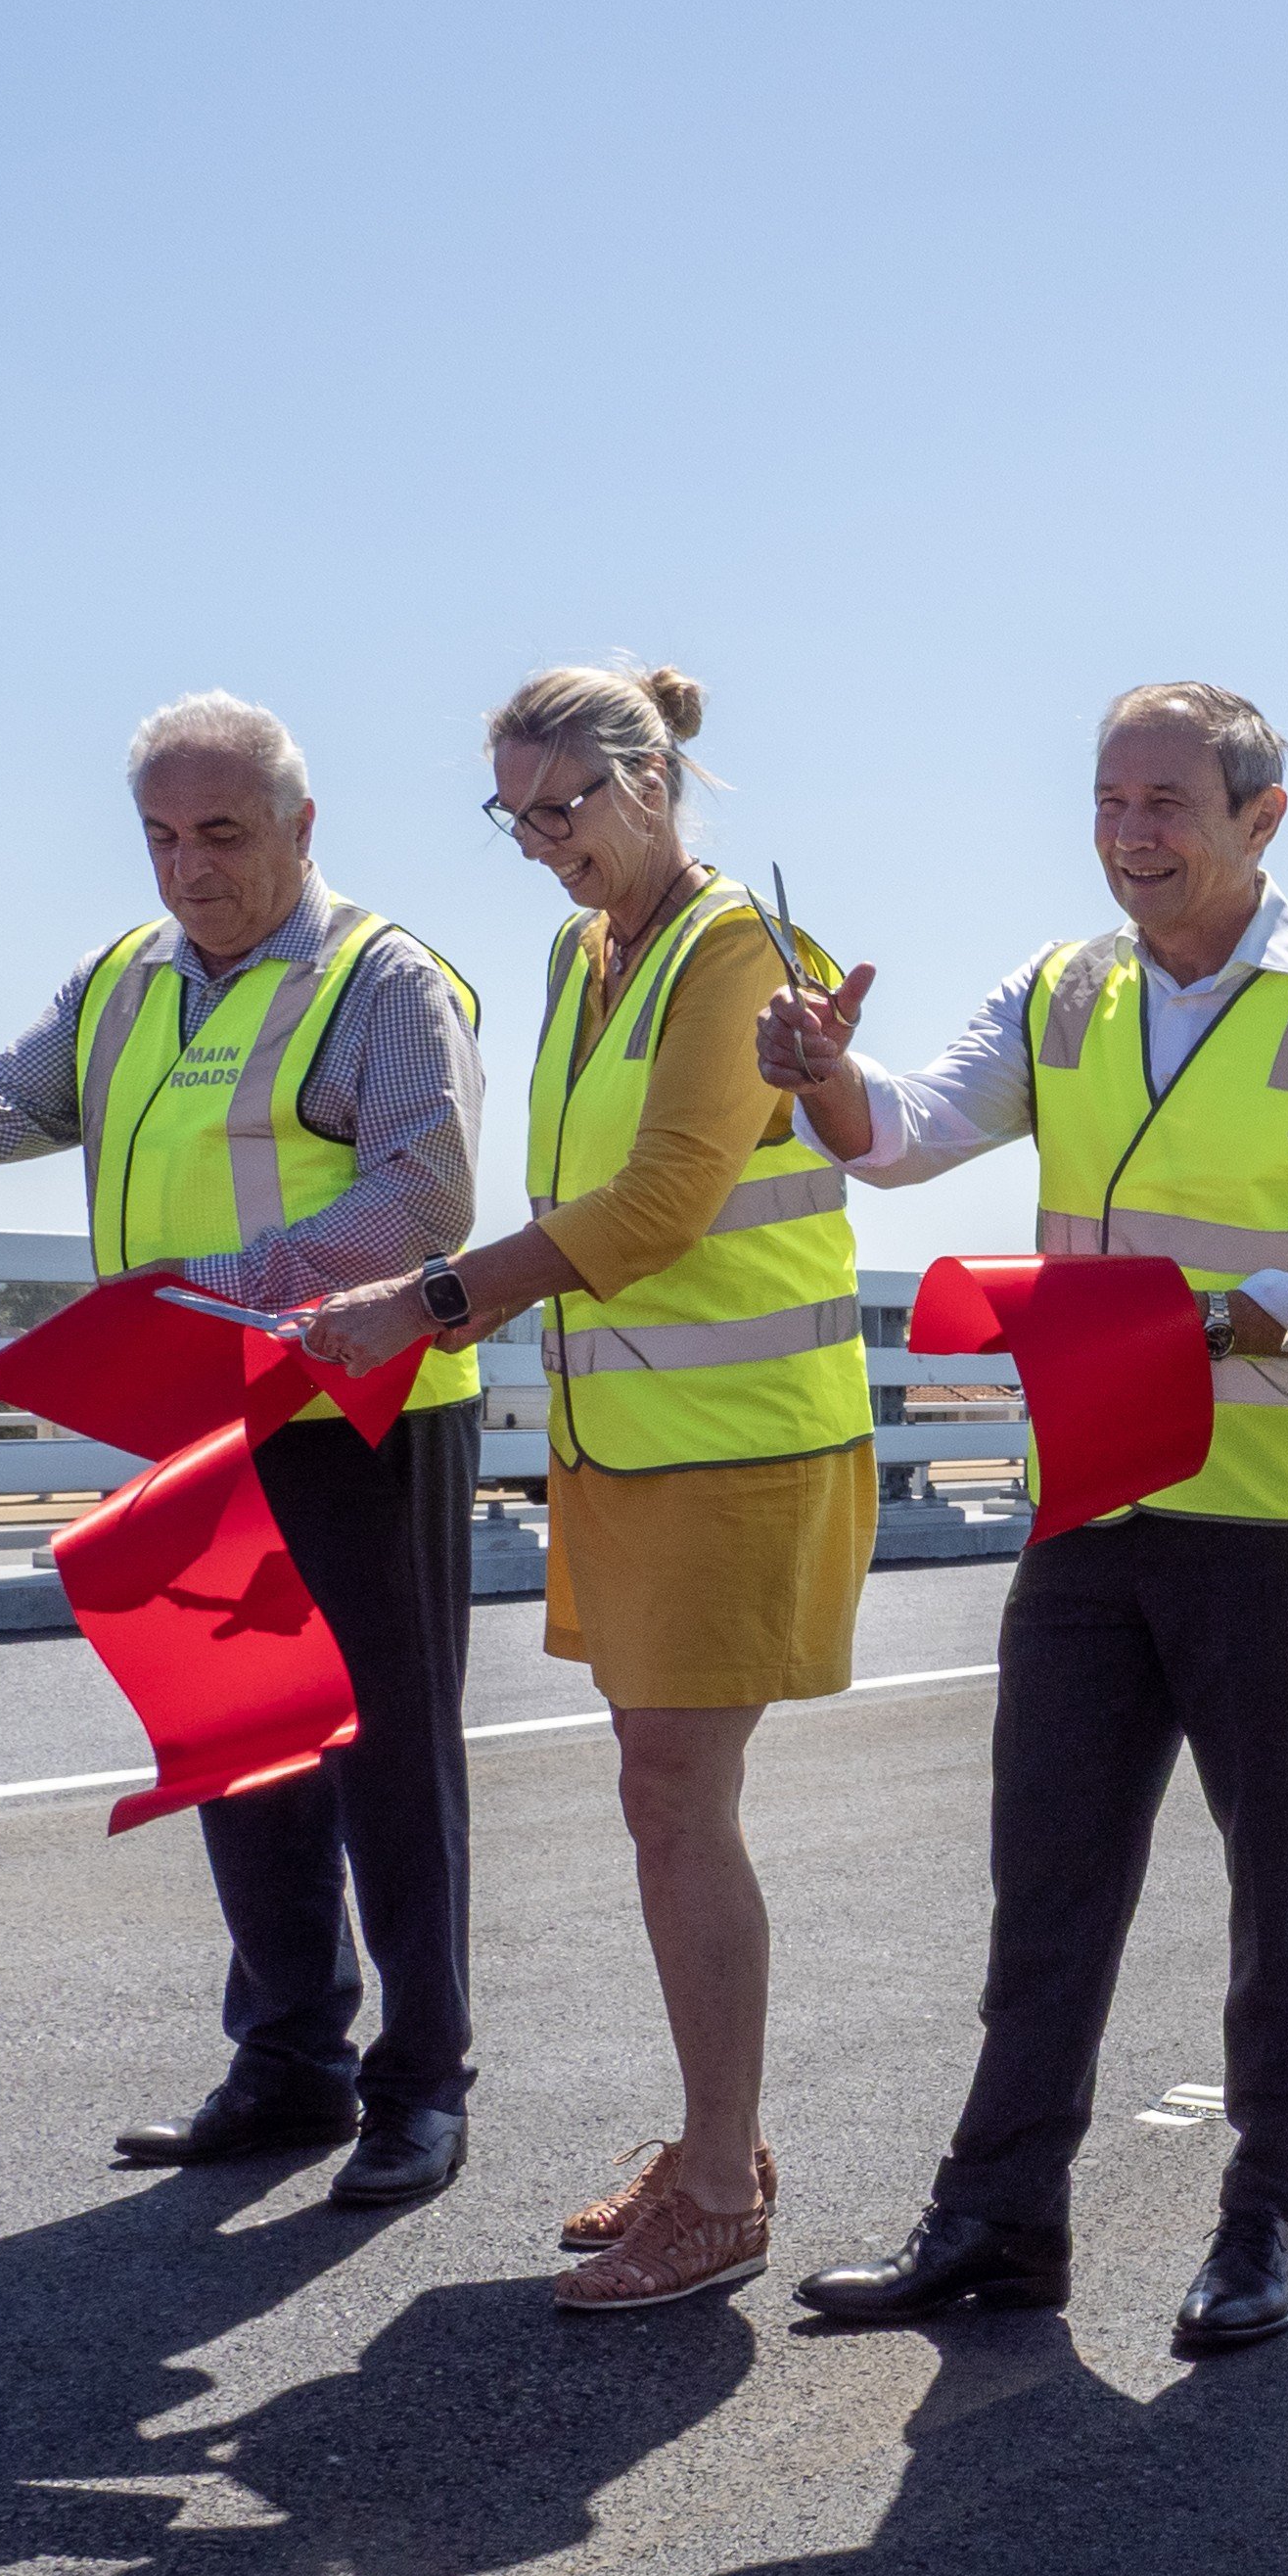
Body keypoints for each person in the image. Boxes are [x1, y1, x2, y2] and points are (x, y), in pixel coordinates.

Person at [764, 683, 1288, 2357]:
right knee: (1046, 1878)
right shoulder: (1062, 987)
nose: (1130, 835)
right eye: (1109, 801)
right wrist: (829, 1081)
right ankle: (1000, 2218)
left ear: (1262, 820)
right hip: (1094, 1498)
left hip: (1278, 1512)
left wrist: (1210, 1320)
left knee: (1287, 1888)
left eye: (1167, 804)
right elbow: (906, 1136)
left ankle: (1264, 2221)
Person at [0, 691, 486, 2210]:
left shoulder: (381, 979)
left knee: (386, 1756)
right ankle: (291, 2062)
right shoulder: (123, 979)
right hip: (191, 1413)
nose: (190, 869)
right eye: (162, 838)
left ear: (302, 826)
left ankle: (423, 2083)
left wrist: (218, 1296)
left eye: (222, 835)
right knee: (237, 1743)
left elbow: (426, 1194)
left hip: (355, 1412)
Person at [303, 662, 872, 2314]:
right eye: (516, 817)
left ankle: (720, 2189)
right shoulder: (585, 950)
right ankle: (717, 2142)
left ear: (654, 781)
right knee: (660, 1795)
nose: (545, 841)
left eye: (566, 807)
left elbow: (667, 1199)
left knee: (676, 1798)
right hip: (630, 1439)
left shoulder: (743, 948)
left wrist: (433, 1299)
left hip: (745, 1440)